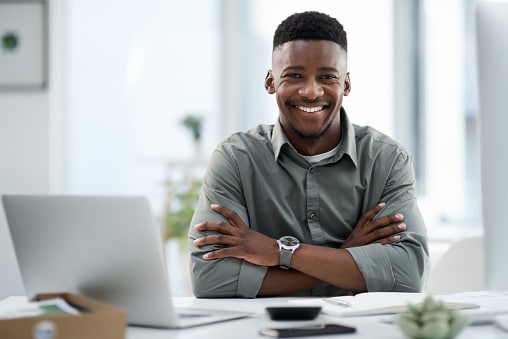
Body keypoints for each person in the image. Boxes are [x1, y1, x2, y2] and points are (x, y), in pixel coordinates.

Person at [188, 11, 428, 298]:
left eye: (327, 76)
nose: (312, 92)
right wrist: (345, 258)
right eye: (294, 76)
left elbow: (408, 274)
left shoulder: (387, 160)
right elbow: (210, 278)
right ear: (270, 82)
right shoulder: (235, 160)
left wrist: (280, 252)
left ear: (346, 85)